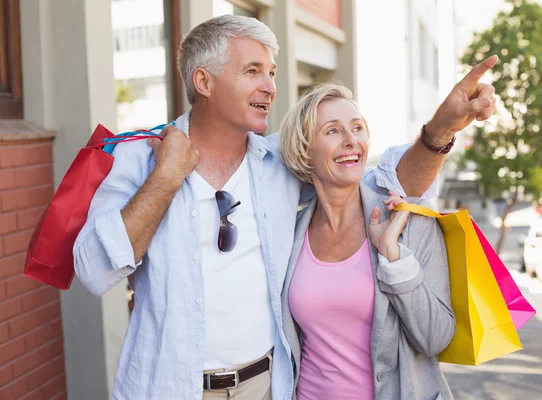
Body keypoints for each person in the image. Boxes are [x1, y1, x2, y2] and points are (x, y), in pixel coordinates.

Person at [73, 15, 497, 400]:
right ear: (204, 81)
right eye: (253, 71)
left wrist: (442, 126)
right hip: (166, 388)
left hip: (265, 387)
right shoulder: (140, 160)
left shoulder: (279, 164)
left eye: (272, 73)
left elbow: (385, 181)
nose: (271, 87)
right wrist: (166, 178)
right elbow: (92, 272)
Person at [279, 82, 455, 400]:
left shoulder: (407, 220)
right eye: (332, 131)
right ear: (304, 151)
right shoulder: (287, 234)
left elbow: (436, 338)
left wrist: (394, 256)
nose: (351, 141)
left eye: (357, 128)